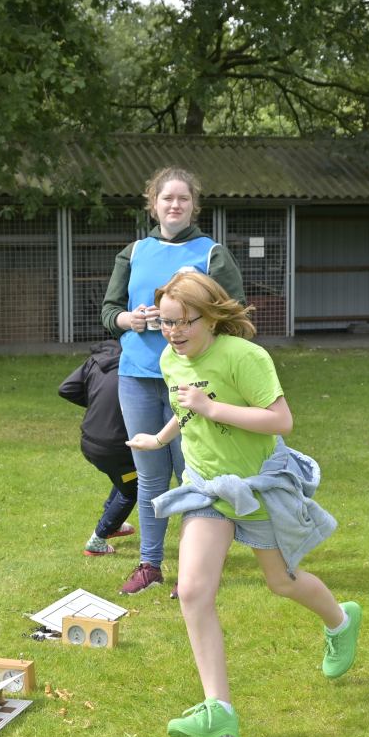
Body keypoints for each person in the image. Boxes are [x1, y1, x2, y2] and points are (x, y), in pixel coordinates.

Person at [127, 270, 361, 737]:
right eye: (166, 322)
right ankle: (220, 712)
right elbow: (185, 407)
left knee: (281, 582)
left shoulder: (245, 357)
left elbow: (280, 420)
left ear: (211, 317)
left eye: (184, 321)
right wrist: (161, 438)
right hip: (207, 489)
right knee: (193, 591)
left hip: (258, 489)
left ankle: (340, 621)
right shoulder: (171, 359)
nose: (173, 332)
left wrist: (213, 409)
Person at [101, 167, 245, 595]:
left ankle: (193, 572)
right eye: (167, 198)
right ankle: (149, 565)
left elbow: (234, 315)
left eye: (183, 198)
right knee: (149, 476)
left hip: (191, 382)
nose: (175, 205)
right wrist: (128, 319)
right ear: (153, 203)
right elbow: (109, 311)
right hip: (137, 377)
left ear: (194, 205)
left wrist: (203, 347)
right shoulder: (134, 253)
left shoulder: (211, 253)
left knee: (192, 475)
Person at [58, 339, 138, 556]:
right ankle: (98, 540)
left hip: (89, 441)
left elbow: (66, 388)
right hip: (114, 448)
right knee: (133, 488)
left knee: (126, 475)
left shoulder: (97, 359)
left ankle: (113, 522)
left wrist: (96, 403)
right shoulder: (137, 364)